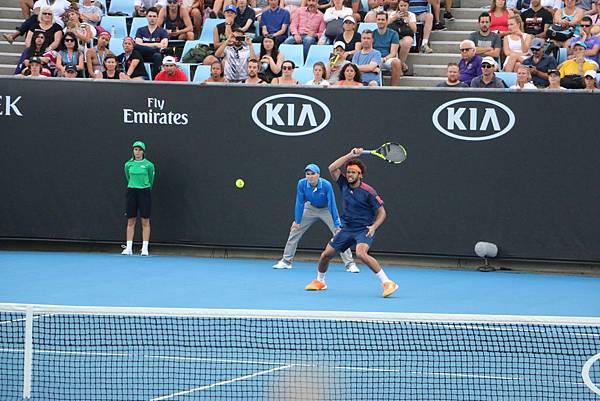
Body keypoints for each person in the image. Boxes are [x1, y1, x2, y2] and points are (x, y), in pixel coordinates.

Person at [304, 148, 398, 298]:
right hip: (347, 229)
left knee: (361, 253)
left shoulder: (369, 191)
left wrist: (374, 226)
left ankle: (387, 282)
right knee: (326, 255)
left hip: (363, 229)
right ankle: (320, 281)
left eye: (353, 172)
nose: (349, 175)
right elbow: (332, 168)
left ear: (360, 175)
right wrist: (350, 155)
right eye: (348, 172)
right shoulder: (343, 184)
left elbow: (382, 212)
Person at [273, 164, 358, 272]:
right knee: (294, 229)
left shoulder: (326, 185)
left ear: (318, 175)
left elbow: (332, 204)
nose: (310, 176)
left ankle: (350, 264)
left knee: (339, 233)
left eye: (313, 174)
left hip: (326, 209)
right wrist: (297, 221)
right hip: (310, 208)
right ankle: (286, 261)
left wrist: (337, 223)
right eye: (308, 174)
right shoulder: (301, 183)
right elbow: (299, 202)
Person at [122, 141, 155, 257]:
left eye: (139, 149)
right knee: (131, 220)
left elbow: (151, 179)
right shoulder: (128, 164)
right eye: (135, 149)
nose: (137, 152)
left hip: (144, 191)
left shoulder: (149, 165)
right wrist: (134, 185)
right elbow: (128, 177)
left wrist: (144, 187)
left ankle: (144, 248)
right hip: (131, 191)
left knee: (145, 220)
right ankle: (129, 248)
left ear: (143, 151)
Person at [134, 7, 168, 77]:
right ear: (146, 17)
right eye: (150, 16)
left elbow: (164, 45)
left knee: (158, 56)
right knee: (135, 47)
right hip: (142, 55)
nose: (152, 18)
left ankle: (155, 78)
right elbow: (138, 44)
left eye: (154, 16)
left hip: (153, 55)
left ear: (157, 17)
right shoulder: (140, 30)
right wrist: (156, 45)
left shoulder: (163, 31)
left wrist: (144, 44)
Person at [386, 0, 416, 74]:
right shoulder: (392, 13)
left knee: (407, 41)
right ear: (398, 6)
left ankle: (400, 65)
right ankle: (401, 66)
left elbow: (414, 30)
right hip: (394, 35)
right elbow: (385, 24)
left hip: (406, 35)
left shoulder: (411, 15)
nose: (403, 8)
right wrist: (394, 18)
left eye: (405, 6)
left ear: (408, 6)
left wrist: (408, 21)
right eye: (401, 5)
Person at [372, 11, 402, 85]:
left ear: (387, 20)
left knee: (397, 62)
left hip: (386, 59)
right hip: (374, 59)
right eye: (378, 19)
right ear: (376, 20)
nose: (380, 22)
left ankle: (393, 90)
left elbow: (393, 53)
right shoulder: (372, 34)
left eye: (383, 20)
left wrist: (384, 58)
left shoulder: (393, 34)